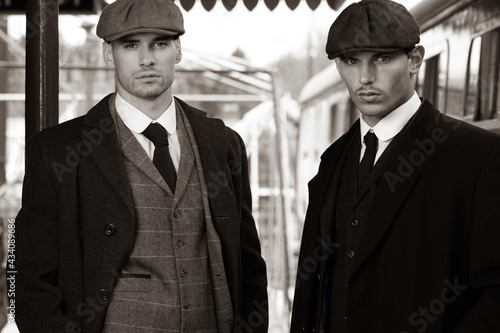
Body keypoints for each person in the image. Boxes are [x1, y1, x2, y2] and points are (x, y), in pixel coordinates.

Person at [13, 0, 268, 332]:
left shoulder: (222, 143)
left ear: (177, 50)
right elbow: (29, 281)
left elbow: (248, 265)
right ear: (108, 54)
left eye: (159, 44)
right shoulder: (58, 151)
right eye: (130, 45)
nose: (147, 59)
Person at [290, 0, 500, 332]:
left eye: (382, 59)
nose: (364, 77)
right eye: (350, 61)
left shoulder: (479, 156)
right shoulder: (331, 161)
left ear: (415, 60)